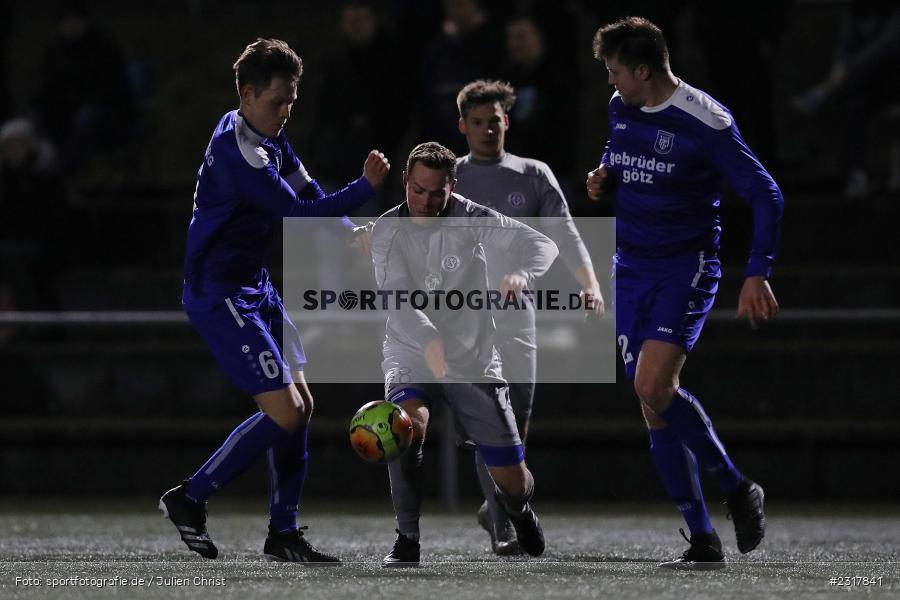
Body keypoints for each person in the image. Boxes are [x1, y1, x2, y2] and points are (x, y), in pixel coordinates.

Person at [159, 38, 390, 563]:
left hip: (253, 284)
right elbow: (296, 217)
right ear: (246, 95)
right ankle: (190, 497)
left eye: (291, 101)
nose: (286, 112)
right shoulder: (238, 150)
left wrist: (352, 231)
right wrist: (363, 187)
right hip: (219, 293)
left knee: (301, 409)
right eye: (276, 101)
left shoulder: (268, 137)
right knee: (285, 411)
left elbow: (307, 193)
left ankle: (282, 533)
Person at [586, 17, 782, 570]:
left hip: (684, 267)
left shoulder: (706, 120)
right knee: (651, 403)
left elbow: (767, 195)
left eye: (615, 72)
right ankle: (703, 540)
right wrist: (605, 175)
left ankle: (738, 488)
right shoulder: (623, 107)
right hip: (631, 267)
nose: (610, 83)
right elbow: (619, 148)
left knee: (653, 385)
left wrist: (758, 271)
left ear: (643, 71)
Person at [371, 141, 557, 567]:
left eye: (438, 193)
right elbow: (397, 299)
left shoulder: (473, 218)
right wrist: (430, 340)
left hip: (473, 357)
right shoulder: (386, 230)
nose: (427, 201)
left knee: (512, 481)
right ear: (405, 181)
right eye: (418, 190)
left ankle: (518, 508)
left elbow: (544, 246)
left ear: (452, 187)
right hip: (411, 351)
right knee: (404, 429)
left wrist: (522, 272)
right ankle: (407, 539)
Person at [454, 79, 603, 555]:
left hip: (519, 316)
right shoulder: (450, 176)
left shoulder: (532, 174)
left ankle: (498, 499)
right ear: (463, 127)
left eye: (493, 120)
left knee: (518, 414)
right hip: (467, 320)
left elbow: (565, 232)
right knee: (491, 417)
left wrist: (589, 282)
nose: (486, 129)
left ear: (506, 122)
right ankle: (502, 525)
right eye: (476, 122)